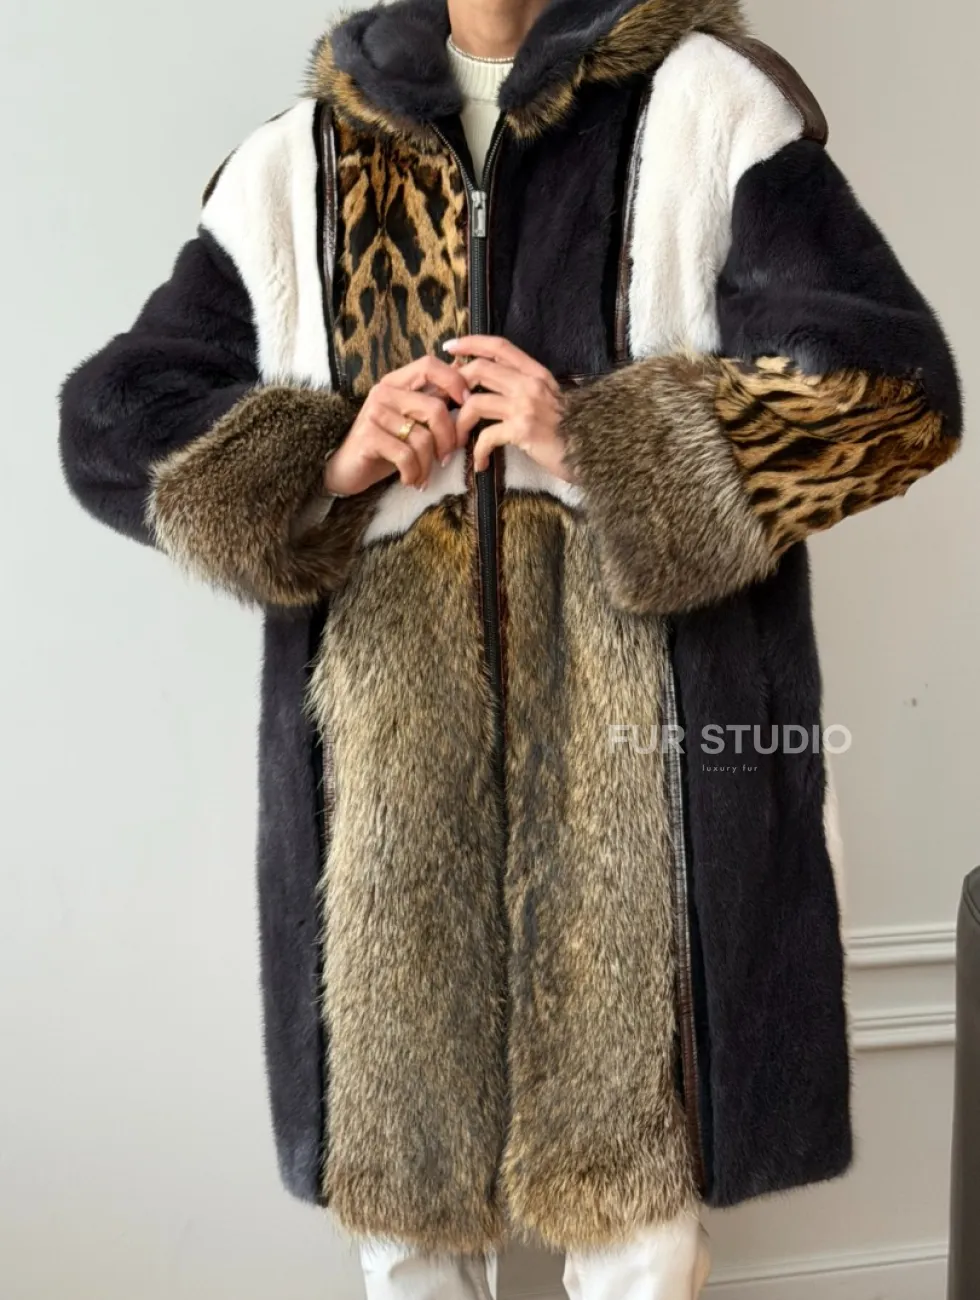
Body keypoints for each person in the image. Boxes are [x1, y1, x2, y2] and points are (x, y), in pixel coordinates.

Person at [59, 0, 961, 1296]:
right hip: (383, 811)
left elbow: (895, 396)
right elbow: (108, 424)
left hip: (644, 793)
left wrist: (599, 435)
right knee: (409, 1244)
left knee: (641, 1242)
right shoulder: (299, 161)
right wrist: (330, 452)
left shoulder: (707, 108)